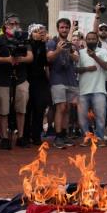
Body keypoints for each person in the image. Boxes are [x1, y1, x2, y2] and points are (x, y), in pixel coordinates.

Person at [0, 13, 33, 149]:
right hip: (3, 78)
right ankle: (4, 137)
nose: (14, 26)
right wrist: (7, 60)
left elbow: (30, 57)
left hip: (20, 78)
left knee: (21, 108)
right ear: (5, 25)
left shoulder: (24, 39)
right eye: (11, 23)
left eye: (17, 23)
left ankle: (20, 137)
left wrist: (19, 59)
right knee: (3, 109)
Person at [47, 18, 80, 149]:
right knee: (60, 108)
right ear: (58, 29)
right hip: (57, 79)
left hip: (70, 79)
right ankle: (58, 136)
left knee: (67, 108)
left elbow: (77, 58)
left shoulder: (72, 44)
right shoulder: (52, 42)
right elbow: (49, 57)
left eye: (66, 27)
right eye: (62, 27)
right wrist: (58, 50)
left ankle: (64, 134)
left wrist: (70, 51)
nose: (64, 29)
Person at [76, 31, 107, 146]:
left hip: (99, 90)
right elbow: (75, 69)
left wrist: (94, 56)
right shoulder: (80, 53)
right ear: (86, 41)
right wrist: (86, 69)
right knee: (82, 118)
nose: (91, 41)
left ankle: (99, 138)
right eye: (88, 39)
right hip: (83, 90)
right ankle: (87, 137)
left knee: (100, 116)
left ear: (97, 40)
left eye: (93, 39)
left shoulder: (103, 51)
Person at [25, 23, 51, 146]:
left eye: (41, 31)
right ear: (31, 33)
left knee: (39, 108)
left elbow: (46, 62)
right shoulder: (27, 44)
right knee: (27, 108)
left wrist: (44, 43)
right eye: (36, 31)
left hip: (40, 80)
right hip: (28, 79)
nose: (40, 33)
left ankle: (36, 136)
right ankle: (25, 135)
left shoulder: (43, 44)